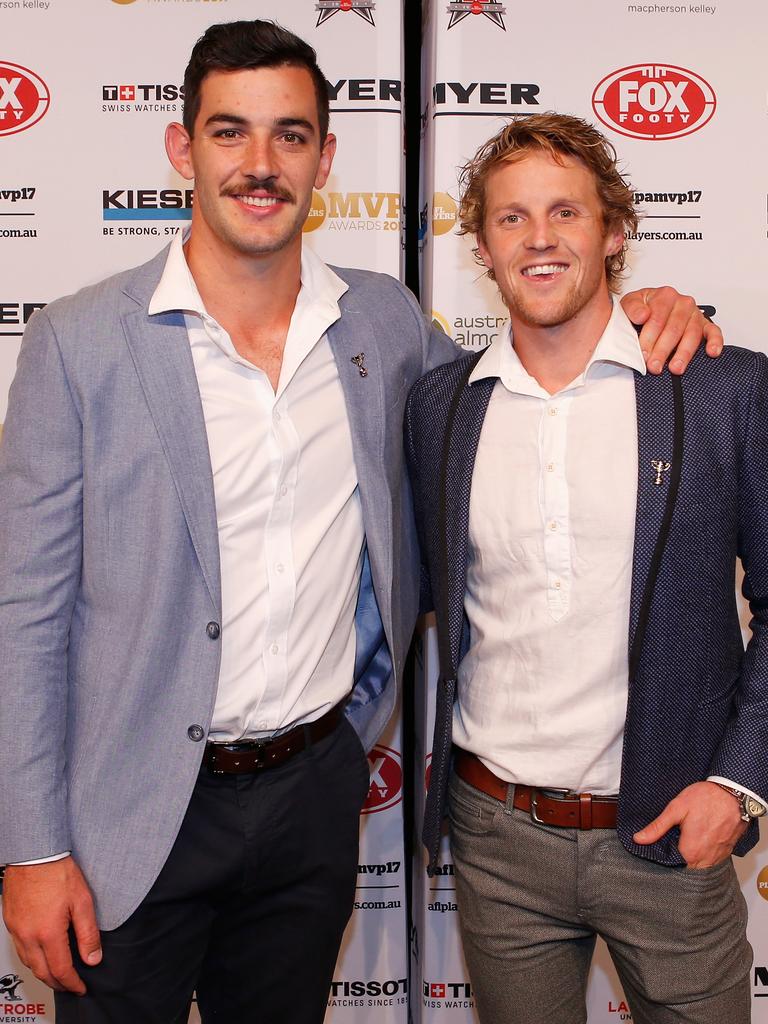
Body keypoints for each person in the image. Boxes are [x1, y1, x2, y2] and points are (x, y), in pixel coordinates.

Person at [0, 17, 720, 1022]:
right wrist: (32, 846)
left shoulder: (382, 324)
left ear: (326, 157)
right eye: (229, 133)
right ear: (181, 148)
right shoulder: (76, 344)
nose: (261, 164)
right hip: (128, 816)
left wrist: (651, 308)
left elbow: (527, 363)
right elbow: (23, 615)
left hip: (308, 801)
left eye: (290, 135)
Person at [405, 112, 767, 1024]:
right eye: (512, 217)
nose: (540, 239)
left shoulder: (721, 388)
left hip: (666, 832)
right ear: (482, 246)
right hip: (496, 838)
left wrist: (735, 783)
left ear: (614, 231)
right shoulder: (442, 408)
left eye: (565, 212)